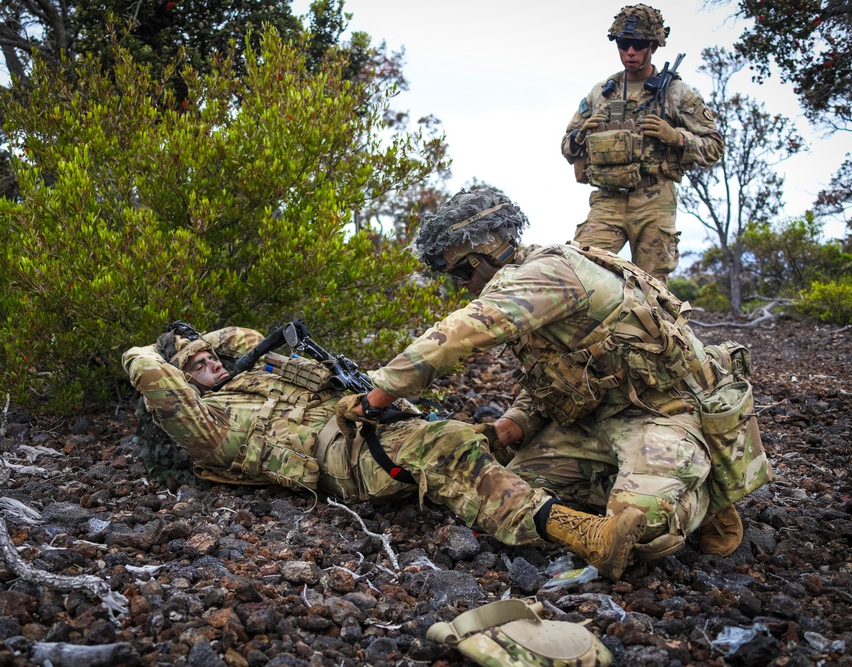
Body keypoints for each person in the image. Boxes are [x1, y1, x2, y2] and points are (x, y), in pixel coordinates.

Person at [350, 188, 773, 579]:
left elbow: (459, 334)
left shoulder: (547, 273)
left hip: (662, 411)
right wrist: (512, 424)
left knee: (644, 530)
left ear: (486, 253)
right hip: (593, 420)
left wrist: (379, 393)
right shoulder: (524, 283)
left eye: (461, 270)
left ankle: (710, 493)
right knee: (504, 495)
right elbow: (553, 379)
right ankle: (627, 480)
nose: (460, 283)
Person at [123, 323, 648, 580]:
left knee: (490, 440)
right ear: (182, 383)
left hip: (377, 429)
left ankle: (625, 509)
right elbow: (150, 373)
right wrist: (153, 350)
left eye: (213, 357)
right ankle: (586, 535)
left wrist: (198, 342)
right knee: (448, 449)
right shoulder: (211, 426)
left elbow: (247, 337)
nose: (213, 362)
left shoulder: (259, 375)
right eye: (198, 365)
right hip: (348, 461)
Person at [561, 4, 723, 284]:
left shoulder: (677, 94)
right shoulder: (602, 92)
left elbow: (714, 146)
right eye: (624, 44)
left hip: (654, 198)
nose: (630, 52)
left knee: (652, 287)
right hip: (607, 199)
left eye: (637, 45)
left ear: (653, 46)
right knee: (579, 271)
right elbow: (566, 147)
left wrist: (677, 137)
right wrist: (578, 137)